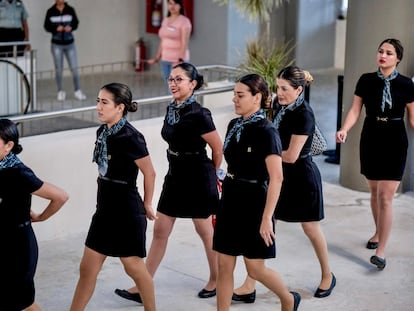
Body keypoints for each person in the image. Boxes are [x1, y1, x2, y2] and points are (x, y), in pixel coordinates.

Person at [115, 62, 223, 303]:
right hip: (175, 175)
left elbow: (217, 148)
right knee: (161, 230)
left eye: (179, 80)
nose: (173, 83)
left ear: (193, 84)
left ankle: (217, 279)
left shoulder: (199, 114)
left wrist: (212, 175)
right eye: (171, 79)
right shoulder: (171, 109)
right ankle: (143, 284)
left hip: (198, 175)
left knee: (205, 230)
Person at [232, 67, 336, 304]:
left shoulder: (304, 114)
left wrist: (261, 154)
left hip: (301, 178)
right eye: (278, 87)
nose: (279, 93)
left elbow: (290, 156)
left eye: (284, 89)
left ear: (299, 90)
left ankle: (327, 275)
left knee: (310, 228)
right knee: (266, 226)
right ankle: (250, 283)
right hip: (278, 177)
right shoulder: (280, 107)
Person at [213, 73, 301, 311]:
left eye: (240, 95)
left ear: (258, 97)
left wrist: (266, 219)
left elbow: (277, 178)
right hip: (230, 198)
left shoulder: (267, 131)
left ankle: (288, 298)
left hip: (254, 203)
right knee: (224, 266)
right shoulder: (234, 125)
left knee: (255, 269)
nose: (234, 99)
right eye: (234, 94)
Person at [69, 83, 157, 311]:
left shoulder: (131, 137)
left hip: (126, 212)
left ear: (120, 107)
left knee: (134, 268)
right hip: (104, 211)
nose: (98, 107)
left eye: (104, 102)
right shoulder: (103, 131)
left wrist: (147, 203)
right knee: (87, 269)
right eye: (98, 101)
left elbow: (150, 172)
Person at [336, 38, 414, 270]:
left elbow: (413, 116)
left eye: (389, 53)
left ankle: (381, 252)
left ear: (398, 58)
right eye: (381, 51)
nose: (383, 55)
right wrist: (344, 129)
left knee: (386, 197)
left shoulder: (406, 85)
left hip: (395, 140)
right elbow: (355, 109)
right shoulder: (366, 80)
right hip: (371, 137)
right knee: (373, 191)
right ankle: (378, 233)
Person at [0, 118, 69, 311]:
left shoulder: (18, 173)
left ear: (9, 146)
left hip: (17, 248)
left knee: (23, 304)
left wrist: (40, 217)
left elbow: (61, 196)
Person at [44, 0, 86, 101]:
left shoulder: (70, 10)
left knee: (74, 68)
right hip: (56, 45)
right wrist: (55, 29)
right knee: (59, 69)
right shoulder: (50, 11)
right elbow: (46, 26)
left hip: (70, 44)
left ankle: (77, 90)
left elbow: (76, 23)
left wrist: (70, 27)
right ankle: (60, 91)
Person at [147, 0, 192, 87]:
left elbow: (184, 42)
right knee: (169, 86)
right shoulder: (165, 20)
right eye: (170, 3)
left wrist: (180, 61)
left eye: (175, 4)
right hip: (165, 59)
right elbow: (163, 41)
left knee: (177, 87)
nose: (172, 6)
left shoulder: (184, 21)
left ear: (180, 6)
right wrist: (157, 57)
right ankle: (172, 101)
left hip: (177, 61)